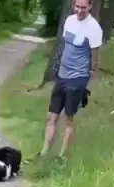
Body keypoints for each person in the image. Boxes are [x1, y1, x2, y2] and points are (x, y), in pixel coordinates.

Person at [39, 0, 103, 159]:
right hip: (62, 75)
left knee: (68, 119)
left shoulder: (94, 28)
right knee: (51, 116)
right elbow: (65, 46)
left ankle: (62, 156)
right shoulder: (69, 20)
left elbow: (95, 57)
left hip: (77, 78)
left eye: (83, 7)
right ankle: (44, 152)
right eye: (77, 6)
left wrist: (90, 74)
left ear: (90, 7)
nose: (79, 10)